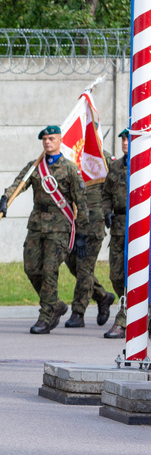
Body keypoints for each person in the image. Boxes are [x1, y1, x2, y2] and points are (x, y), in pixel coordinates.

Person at [0, 125, 89, 334]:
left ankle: (46, 316)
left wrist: (82, 233)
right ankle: (55, 304)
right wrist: (5, 198)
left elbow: (81, 202)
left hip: (60, 226)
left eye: (52, 138)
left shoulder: (69, 169)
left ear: (60, 140)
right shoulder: (35, 166)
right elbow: (19, 184)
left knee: (50, 271)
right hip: (37, 224)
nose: (48, 142)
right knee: (31, 268)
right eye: (45, 139)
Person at [63, 171, 116, 328]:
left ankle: (78, 313)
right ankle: (102, 296)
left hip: (93, 225)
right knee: (73, 264)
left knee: (84, 268)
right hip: (72, 224)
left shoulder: (102, 158)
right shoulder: (71, 155)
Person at [102, 129, 129, 339]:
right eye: (123, 139)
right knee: (116, 275)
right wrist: (107, 212)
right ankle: (133, 310)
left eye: (129, 139)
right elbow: (106, 195)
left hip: (142, 230)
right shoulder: (116, 166)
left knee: (136, 276)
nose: (125, 142)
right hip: (119, 228)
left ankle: (124, 319)